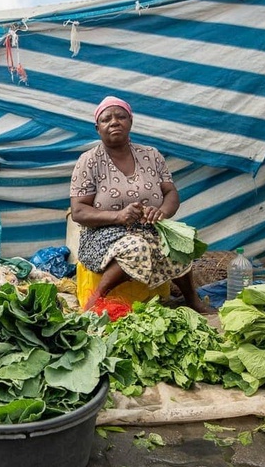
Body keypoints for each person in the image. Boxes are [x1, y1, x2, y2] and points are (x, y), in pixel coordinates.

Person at [70, 95, 211, 314]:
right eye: (106, 119)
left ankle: (191, 298)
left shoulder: (151, 155)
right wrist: (118, 216)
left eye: (121, 117)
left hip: (150, 228)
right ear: (98, 128)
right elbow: (78, 211)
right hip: (103, 234)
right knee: (137, 247)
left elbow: (170, 192)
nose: (114, 122)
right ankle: (95, 300)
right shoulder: (89, 160)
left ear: (130, 122)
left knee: (180, 243)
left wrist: (162, 212)